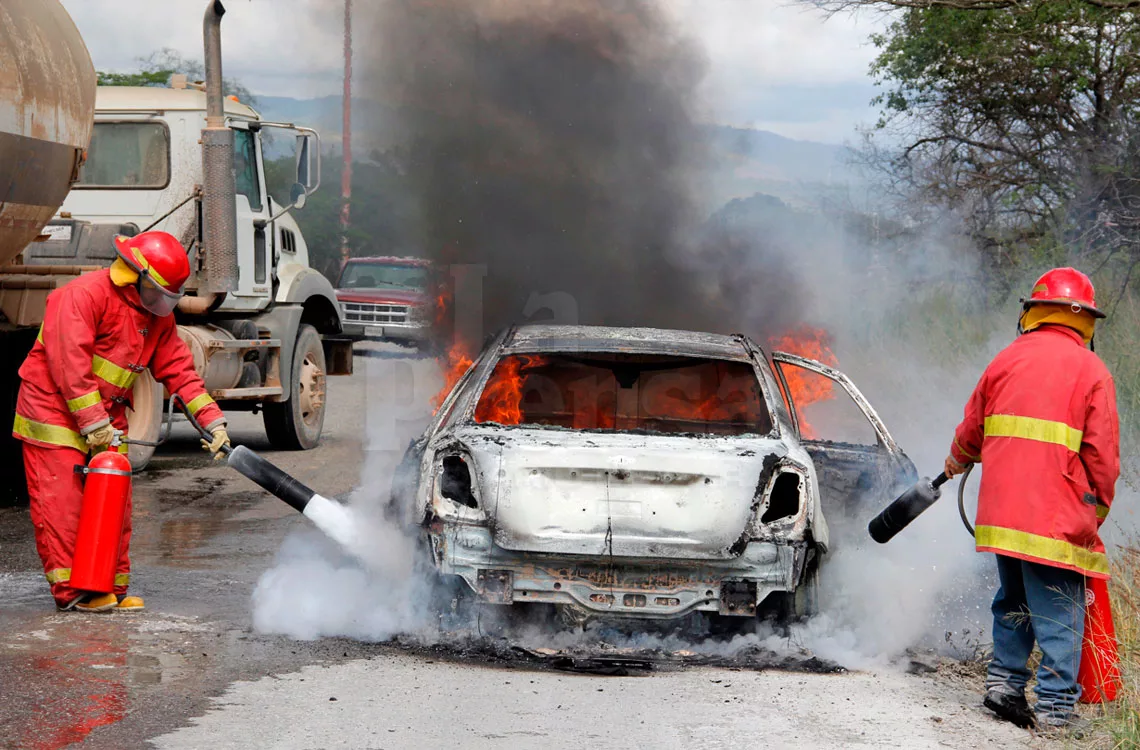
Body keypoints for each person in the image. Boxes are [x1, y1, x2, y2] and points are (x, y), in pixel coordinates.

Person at [13, 231, 231, 613]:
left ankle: (110, 586)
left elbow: (179, 369)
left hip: (105, 416)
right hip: (53, 413)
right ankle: (75, 593)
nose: (164, 305)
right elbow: (70, 365)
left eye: (170, 297)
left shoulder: (154, 315)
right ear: (136, 275)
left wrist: (212, 421)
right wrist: (93, 422)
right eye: (160, 294)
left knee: (113, 502)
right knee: (62, 507)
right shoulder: (82, 296)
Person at [944, 267, 1120, 730]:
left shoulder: (1006, 358)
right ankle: (1056, 708)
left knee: (1014, 598)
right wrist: (1096, 509)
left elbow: (972, 430)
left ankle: (1003, 685)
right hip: (1057, 516)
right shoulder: (1092, 370)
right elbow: (1103, 457)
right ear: (1084, 320)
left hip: (1002, 514)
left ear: (1034, 312)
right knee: (1060, 607)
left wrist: (955, 461)